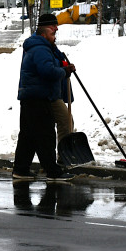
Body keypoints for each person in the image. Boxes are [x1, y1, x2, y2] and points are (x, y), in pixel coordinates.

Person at [13, 13, 76, 182]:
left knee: (29, 135)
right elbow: (47, 71)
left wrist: (63, 66)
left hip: (36, 95)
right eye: (53, 29)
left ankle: (21, 169)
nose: (56, 31)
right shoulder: (40, 48)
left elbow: (50, 65)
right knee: (45, 135)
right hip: (38, 96)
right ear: (43, 32)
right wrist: (63, 71)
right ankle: (53, 171)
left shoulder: (45, 46)